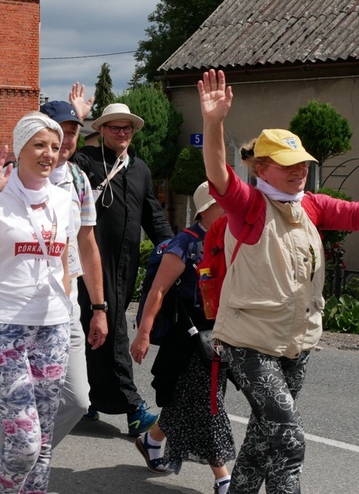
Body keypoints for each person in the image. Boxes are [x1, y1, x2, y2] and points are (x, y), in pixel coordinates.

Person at [198, 68, 359, 493]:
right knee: (291, 442)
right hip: (250, 345)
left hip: (296, 345)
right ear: (261, 167)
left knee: (263, 442)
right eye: (287, 164)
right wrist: (213, 122)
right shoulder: (250, 207)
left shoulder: (311, 206)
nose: (298, 170)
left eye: (302, 163)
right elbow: (219, 177)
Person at [0, 112, 72, 493]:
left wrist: (68, 310)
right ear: (19, 149)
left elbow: (65, 262)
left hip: (52, 327)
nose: (48, 154)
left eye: (54, 147)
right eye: (39, 145)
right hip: (3, 326)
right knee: (23, 444)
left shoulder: (64, 199)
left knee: (44, 447)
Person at [73, 103, 173, 434]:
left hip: (126, 264)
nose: (121, 133)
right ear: (100, 131)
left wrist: (175, 249)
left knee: (95, 328)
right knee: (113, 328)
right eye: (114, 128)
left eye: (126, 128)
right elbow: (65, 161)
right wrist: (75, 118)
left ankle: (87, 398)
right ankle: (132, 408)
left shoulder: (140, 169)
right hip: (94, 263)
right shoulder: (87, 163)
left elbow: (154, 216)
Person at [130, 182, 234, 493]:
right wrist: (143, 334)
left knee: (188, 399)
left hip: (219, 334)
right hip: (189, 336)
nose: (229, 210)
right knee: (207, 404)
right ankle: (223, 477)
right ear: (204, 209)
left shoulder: (230, 240)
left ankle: (151, 440)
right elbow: (159, 290)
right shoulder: (184, 244)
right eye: (222, 205)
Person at [39, 88, 109, 449]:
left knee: (78, 399)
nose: (66, 140)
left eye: (73, 132)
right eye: (59, 130)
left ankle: (30, 453)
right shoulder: (18, 174)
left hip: (67, 303)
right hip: (25, 308)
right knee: (32, 400)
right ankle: (22, 465)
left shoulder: (79, 180)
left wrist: (99, 309)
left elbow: (87, 244)